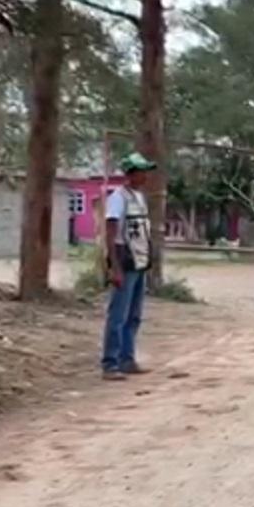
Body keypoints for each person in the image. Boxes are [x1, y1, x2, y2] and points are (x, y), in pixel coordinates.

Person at [102, 152, 157, 381]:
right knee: (118, 314)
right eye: (142, 171)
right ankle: (110, 363)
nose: (146, 176)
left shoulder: (139, 197)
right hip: (124, 259)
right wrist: (114, 266)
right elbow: (111, 231)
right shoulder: (118, 197)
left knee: (134, 315)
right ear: (131, 174)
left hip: (139, 260)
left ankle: (127, 358)